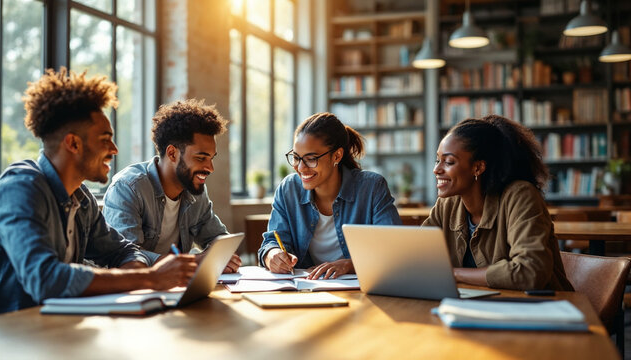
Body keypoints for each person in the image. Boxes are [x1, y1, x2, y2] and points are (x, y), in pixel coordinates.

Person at [0, 68, 197, 321]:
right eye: (105, 139)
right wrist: (149, 278)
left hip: (49, 332)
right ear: (73, 144)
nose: (115, 149)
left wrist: (139, 279)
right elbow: (44, 278)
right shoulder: (20, 188)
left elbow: (124, 251)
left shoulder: (81, 198)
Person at [422, 114, 573, 291]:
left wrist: (454, 274)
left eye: (448, 162)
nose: (436, 170)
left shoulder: (520, 196)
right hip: (478, 305)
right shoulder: (448, 203)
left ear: (477, 167)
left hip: (537, 307)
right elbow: (418, 255)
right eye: (437, 160)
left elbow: (530, 271)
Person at [258, 112, 402, 279]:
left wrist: (349, 265)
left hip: (360, 291)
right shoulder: (288, 189)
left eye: (311, 159)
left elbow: (392, 251)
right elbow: (271, 242)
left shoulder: (371, 188)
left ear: (337, 155)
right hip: (305, 289)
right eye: (296, 158)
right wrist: (272, 255)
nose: (301, 167)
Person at [103, 99, 241, 273]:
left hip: (175, 288)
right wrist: (192, 261)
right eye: (201, 158)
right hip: (131, 292)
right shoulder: (128, 188)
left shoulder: (195, 191)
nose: (210, 168)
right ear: (172, 153)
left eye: (211, 158)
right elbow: (124, 258)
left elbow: (217, 237)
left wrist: (223, 255)